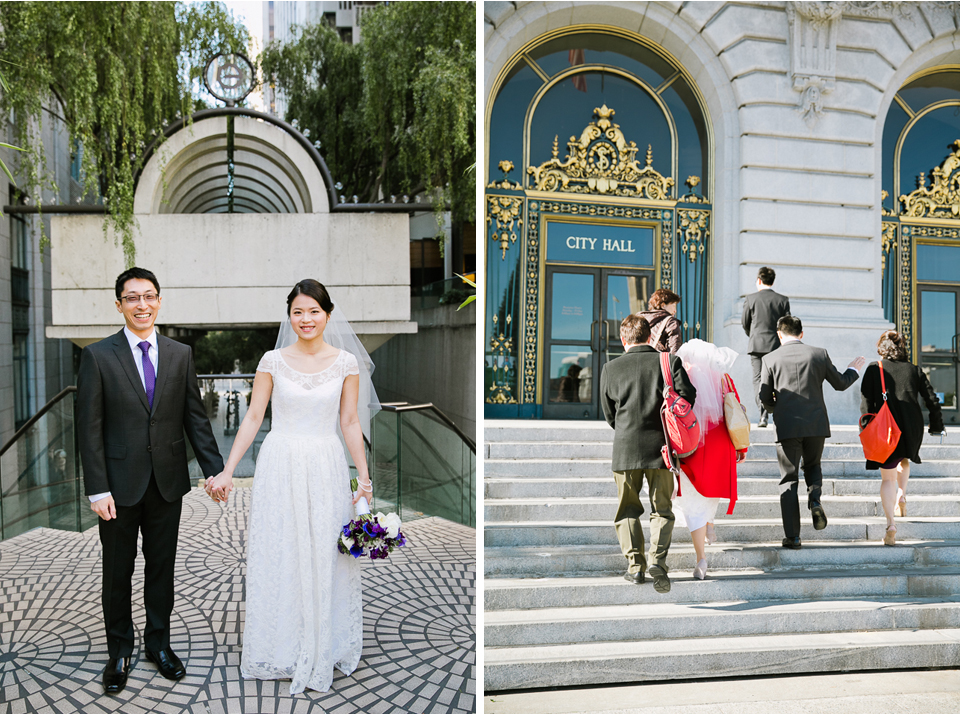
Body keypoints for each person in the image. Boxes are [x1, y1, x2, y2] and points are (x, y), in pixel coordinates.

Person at [205, 279, 371, 694]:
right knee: (280, 551)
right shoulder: (272, 360)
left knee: (323, 551)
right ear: (290, 316)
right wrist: (228, 470)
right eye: (298, 311)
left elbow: (350, 422)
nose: (306, 319)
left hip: (325, 462)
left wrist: (363, 480)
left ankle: (323, 642)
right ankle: (280, 646)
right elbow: (253, 417)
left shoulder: (346, 362)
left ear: (327, 315)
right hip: (279, 463)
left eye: (313, 311)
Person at [77, 267, 225, 695]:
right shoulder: (98, 356)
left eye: (149, 296)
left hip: (167, 484)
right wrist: (97, 488)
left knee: (162, 569)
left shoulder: (179, 354)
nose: (142, 305)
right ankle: (119, 650)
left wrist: (213, 470)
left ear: (159, 301)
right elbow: (89, 428)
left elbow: (194, 417)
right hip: (117, 490)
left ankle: (158, 645)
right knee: (117, 572)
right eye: (132, 297)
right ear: (119, 303)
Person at [600, 314, 696, 593]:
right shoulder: (669, 362)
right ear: (650, 337)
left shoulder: (611, 368)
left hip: (625, 449)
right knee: (662, 510)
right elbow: (688, 397)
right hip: (663, 448)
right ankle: (658, 562)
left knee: (627, 510)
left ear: (623, 339)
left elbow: (609, 414)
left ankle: (635, 567)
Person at [760, 316, 865, 549]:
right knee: (813, 465)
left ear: (779, 334)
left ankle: (793, 537)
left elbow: (764, 397)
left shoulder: (769, 359)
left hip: (787, 426)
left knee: (788, 479)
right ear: (802, 333)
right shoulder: (819, 354)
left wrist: (777, 409)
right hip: (816, 424)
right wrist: (852, 370)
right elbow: (840, 383)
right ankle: (815, 499)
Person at [860, 330, 943, 546]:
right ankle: (902, 494)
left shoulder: (873, 369)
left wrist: (867, 429)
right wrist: (936, 425)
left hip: (886, 429)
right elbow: (932, 399)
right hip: (912, 426)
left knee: (887, 478)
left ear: (882, 346)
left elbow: (866, 403)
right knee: (904, 458)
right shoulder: (914, 370)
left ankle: (891, 525)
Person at [674, 340, 746, 579]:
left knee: (694, 501)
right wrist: (741, 448)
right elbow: (736, 410)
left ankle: (701, 558)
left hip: (691, 445)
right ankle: (711, 524)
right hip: (719, 445)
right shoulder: (724, 378)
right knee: (711, 490)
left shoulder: (685, 377)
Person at [742, 267, 791, 427]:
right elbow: (787, 325)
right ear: (773, 281)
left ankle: (763, 414)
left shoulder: (751, 299)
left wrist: (754, 334)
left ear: (758, 280)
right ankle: (776, 412)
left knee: (758, 380)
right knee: (776, 380)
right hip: (777, 346)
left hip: (756, 346)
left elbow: (745, 323)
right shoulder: (782, 300)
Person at [637, 288, 683, 354]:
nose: (675, 310)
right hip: (658, 362)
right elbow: (674, 352)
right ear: (663, 305)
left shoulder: (639, 320)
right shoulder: (671, 322)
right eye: (673, 305)